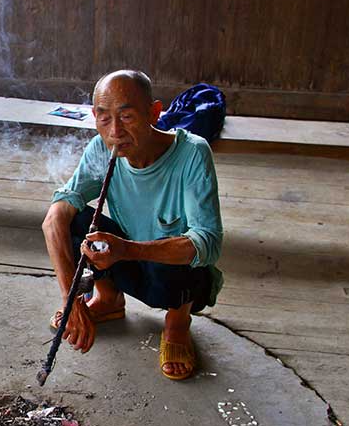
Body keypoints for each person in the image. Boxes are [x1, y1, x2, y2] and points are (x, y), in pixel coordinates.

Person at [42, 70, 223, 381]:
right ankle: (108, 298)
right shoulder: (102, 148)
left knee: (178, 245)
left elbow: (206, 243)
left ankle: (177, 324)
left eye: (127, 117)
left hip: (176, 278)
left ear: (155, 112)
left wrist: (126, 249)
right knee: (76, 222)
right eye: (104, 118)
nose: (115, 131)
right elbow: (54, 218)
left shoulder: (191, 153)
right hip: (125, 261)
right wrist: (70, 300)